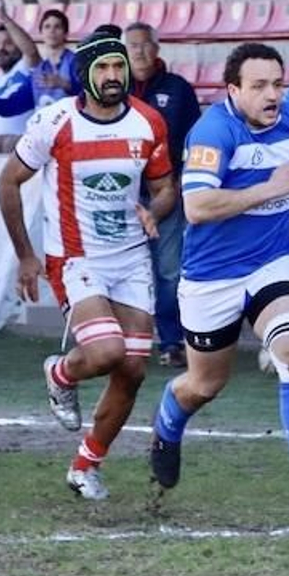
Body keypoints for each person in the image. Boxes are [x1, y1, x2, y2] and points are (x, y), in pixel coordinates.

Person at [148, 42, 289, 520]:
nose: (272, 94)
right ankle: (168, 424)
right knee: (204, 384)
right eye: (259, 86)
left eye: (277, 83)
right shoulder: (214, 132)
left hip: (272, 262)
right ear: (233, 90)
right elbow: (196, 207)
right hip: (212, 276)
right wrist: (269, 189)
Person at [0, 30, 176, 500]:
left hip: (132, 259)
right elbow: (8, 183)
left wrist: (152, 212)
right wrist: (26, 256)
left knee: (133, 370)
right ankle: (60, 374)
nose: (114, 76)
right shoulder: (54, 122)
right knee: (106, 353)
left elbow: (165, 189)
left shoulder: (149, 122)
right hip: (77, 257)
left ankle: (85, 465)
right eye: (103, 69)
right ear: (85, 75)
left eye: (119, 67)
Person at [126, 22, 201, 369]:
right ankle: (125, 340)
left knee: (169, 270)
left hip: (167, 188)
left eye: (144, 45)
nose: (138, 52)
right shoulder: (115, 89)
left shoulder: (178, 89)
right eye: (132, 46)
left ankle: (171, 341)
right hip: (123, 192)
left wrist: (185, 181)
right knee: (126, 269)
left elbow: (195, 139)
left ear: (157, 49)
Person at [0, 2, 76, 109]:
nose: (52, 31)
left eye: (57, 27)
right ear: (41, 33)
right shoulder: (39, 69)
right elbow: (11, 106)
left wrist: (65, 85)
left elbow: (87, 95)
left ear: (66, 33)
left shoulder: (76, 62)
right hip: (44, 125)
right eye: (47, 27)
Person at [0, 21, 30, 152]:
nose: (1, 48)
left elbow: (30, 51)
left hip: (22, 142)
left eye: (8, 43)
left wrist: (5, 18)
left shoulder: (26, 67)